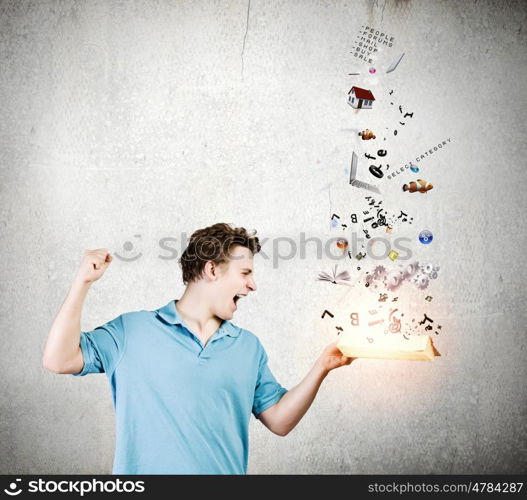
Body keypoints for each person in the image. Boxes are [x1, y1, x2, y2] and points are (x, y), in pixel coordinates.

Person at [42, 223, 355, 474]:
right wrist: (82, 282)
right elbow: (59, 359)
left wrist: (322, 367)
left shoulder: (248, 348)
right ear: (212, 270)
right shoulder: (131, 331)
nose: (252, 285)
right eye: (245, 273)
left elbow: (280, 421)